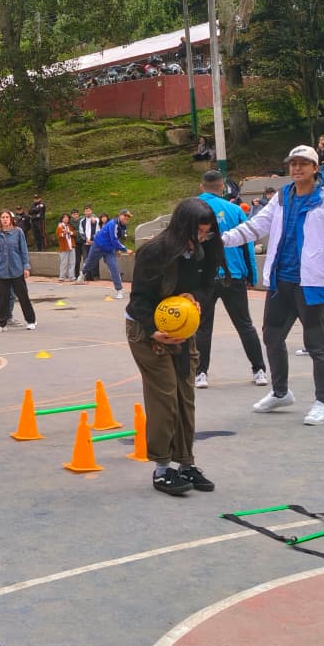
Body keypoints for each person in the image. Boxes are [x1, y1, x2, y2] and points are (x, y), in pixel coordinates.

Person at [221, 145, 324, 427]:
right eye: (293, 163)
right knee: (272, 336)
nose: (296, 168)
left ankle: (323, 403)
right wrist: (223, 239)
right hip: (281, 280)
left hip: (312, 282)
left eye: (303, 163)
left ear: (315, 168)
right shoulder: (282, 197)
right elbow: (255, 227)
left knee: (316, 343)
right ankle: (280, 392)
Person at [126, 198, 221, 496]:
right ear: (182, 228)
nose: (203, 238)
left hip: (182, 329)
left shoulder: (206, 248)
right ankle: (162, 469)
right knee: (165, 396)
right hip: (147, 330)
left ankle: (185, 463)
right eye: (198, 233)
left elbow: (209, 285)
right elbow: (138, 300)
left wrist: (196, 297)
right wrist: (153, 331)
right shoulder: (155, 252)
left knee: (185, 396)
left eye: (207, 232)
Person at [196, 171, 267, 390]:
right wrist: (252, 275)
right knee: (244, 324)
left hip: (202, 276)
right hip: (233, 275)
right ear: (222, 187)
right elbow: (247, 244)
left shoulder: (191, 208)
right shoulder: (235, 210)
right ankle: (259, 370)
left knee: (202, 327)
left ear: (201, 186)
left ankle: (200, 373)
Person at [0, 209, 36, 332]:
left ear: (11, 219)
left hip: (17, 270)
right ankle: (1, 323)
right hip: (2, 271)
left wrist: (26, 267)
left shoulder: (18, 232)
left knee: (23, 296)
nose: (5, 219)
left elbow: (23, 250)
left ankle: (31, 320)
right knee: (2, 298)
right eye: (2, 217)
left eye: (7, 217)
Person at [82, 209, 133, 298]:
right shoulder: (113, 224)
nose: (126, 218)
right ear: (119, 215)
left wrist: (117, 249)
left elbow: (118, 239)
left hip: (109, 250)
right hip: (98, 245)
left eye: (128, 217)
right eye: (125, 215)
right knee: (90, 263)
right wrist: (125, 249)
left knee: (114, 268)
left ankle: (119, 290)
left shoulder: (123, 226)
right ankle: (82, 273)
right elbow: (114, 239)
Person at [75, 206, 100, 282]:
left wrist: (93, 239)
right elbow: (81, 231)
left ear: (91, 211)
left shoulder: (96, 220)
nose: (87, 212)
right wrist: (86, 239)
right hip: (85, 243)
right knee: (86, 259)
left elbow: (99, 230)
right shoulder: (82, 221)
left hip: (95, 243)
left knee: (95, 259)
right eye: (86, 211)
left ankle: (95, 276)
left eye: (89, 211)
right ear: (84, 212)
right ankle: (87, 276)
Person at [56, 212, 75, 282]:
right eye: (64, 217)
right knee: (64, 262)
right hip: (64, 247)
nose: (66, 219)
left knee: (72, 262)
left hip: (71, 246)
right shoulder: (60, 226)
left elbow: (74, 233)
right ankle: (62, 276)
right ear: (62, 219)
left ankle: (71, 276)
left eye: (67, 217)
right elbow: (58, 236)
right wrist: (63, 233)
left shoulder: (70, 226)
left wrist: (69, 232)